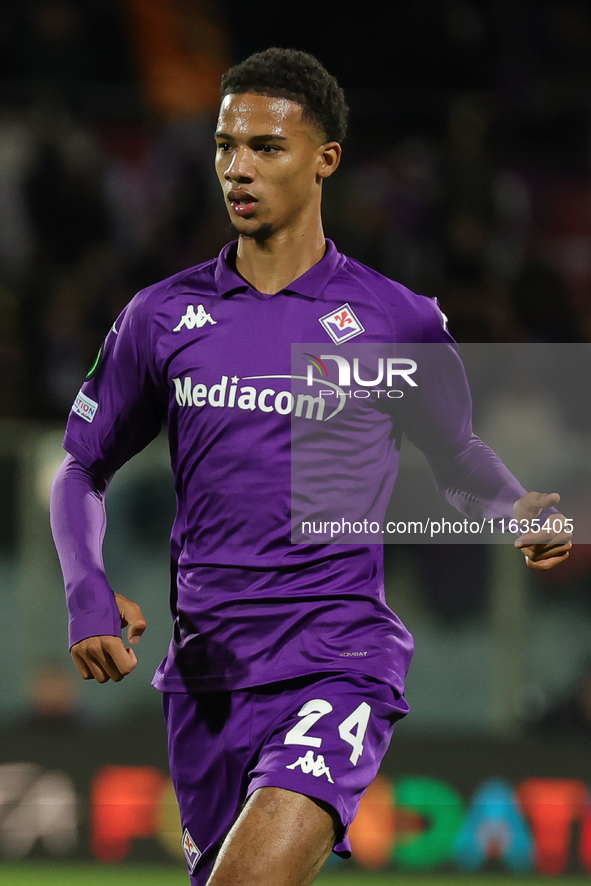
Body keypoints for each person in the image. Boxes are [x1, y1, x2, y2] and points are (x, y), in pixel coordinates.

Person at [50, 48, 571, 886]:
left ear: (325, 158)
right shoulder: (160, 318)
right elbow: (81, 468)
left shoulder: (394, 318)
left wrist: (513, 510)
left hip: (336, 655)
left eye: (265, 147)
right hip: (208, 675)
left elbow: (455, 453)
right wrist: (88, 595)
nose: (237, 169)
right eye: (225, 146)